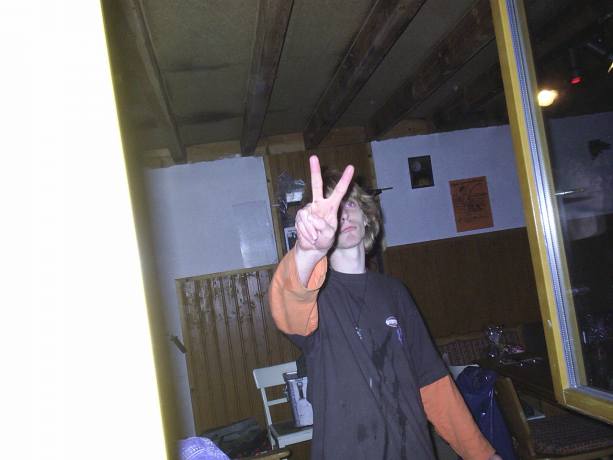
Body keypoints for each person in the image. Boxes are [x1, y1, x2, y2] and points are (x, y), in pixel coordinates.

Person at [269, 155, 502, 460]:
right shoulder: (314, 293)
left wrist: (482, 455)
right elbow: (287, 309)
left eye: (350, 204)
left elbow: (433, 382)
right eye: (334, 209)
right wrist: (307, 251)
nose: (343, 214)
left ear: (367, 216)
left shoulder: (396, 293)